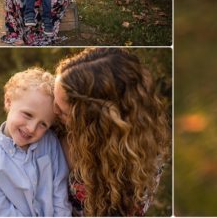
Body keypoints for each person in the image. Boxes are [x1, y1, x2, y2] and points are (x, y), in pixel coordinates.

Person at [53, 48, 170, 217]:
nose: (53, 110)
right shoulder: (53, 129)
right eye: (53, 98)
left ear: (94, 120)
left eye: (63, 111)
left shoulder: (141, 161)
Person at [0, 68, 71, 217]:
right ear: (8, 101)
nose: (31, 128)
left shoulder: (50, 142)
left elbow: (60, 191)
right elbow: (2, 210)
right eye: (28, 114)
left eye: (43, 124)